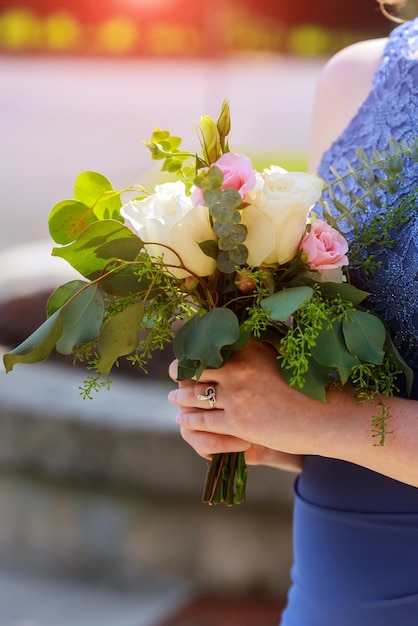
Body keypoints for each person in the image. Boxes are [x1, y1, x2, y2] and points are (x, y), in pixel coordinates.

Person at [168, 1, 418, 623]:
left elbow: (342, 418)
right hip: (338, 588)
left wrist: (323, 419)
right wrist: (266, 428)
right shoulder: (356, 80)